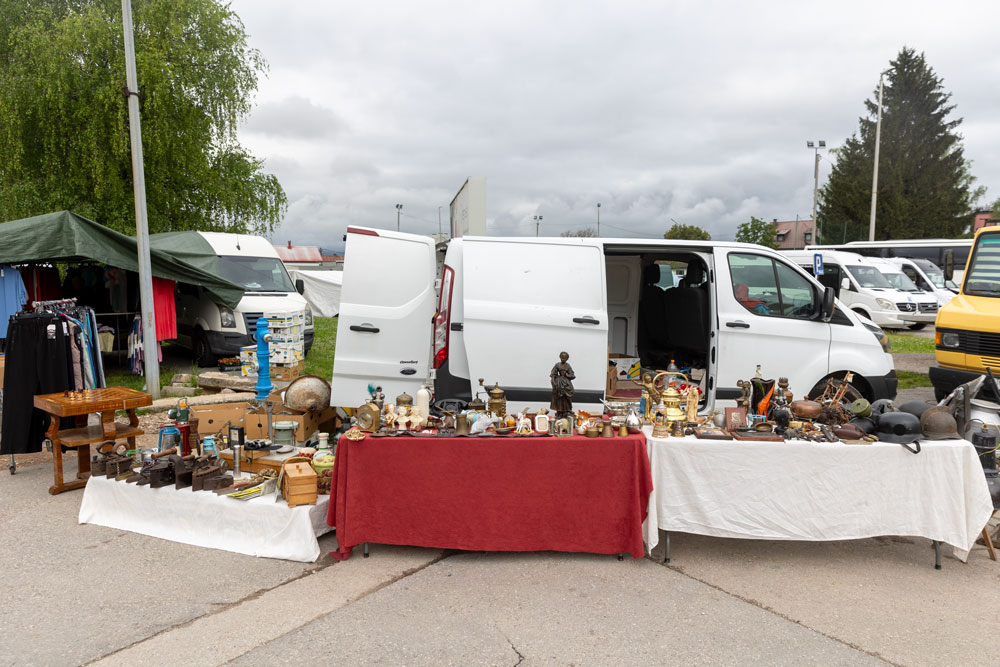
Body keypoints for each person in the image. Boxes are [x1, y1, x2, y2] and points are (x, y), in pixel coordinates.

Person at [550, 351, 575, 419]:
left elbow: (572, 375)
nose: (563, 359)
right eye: (562, 358)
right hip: (558, 383)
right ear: (560, 357)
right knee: (559, 398)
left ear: (567, 359)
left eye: (564, 358)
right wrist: (553, 382)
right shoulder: (557, 365)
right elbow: (553, 374)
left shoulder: (568, 366)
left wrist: (566, 375)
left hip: (566, 383)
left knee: (566, 397)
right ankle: (559, 412)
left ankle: (566, 411)